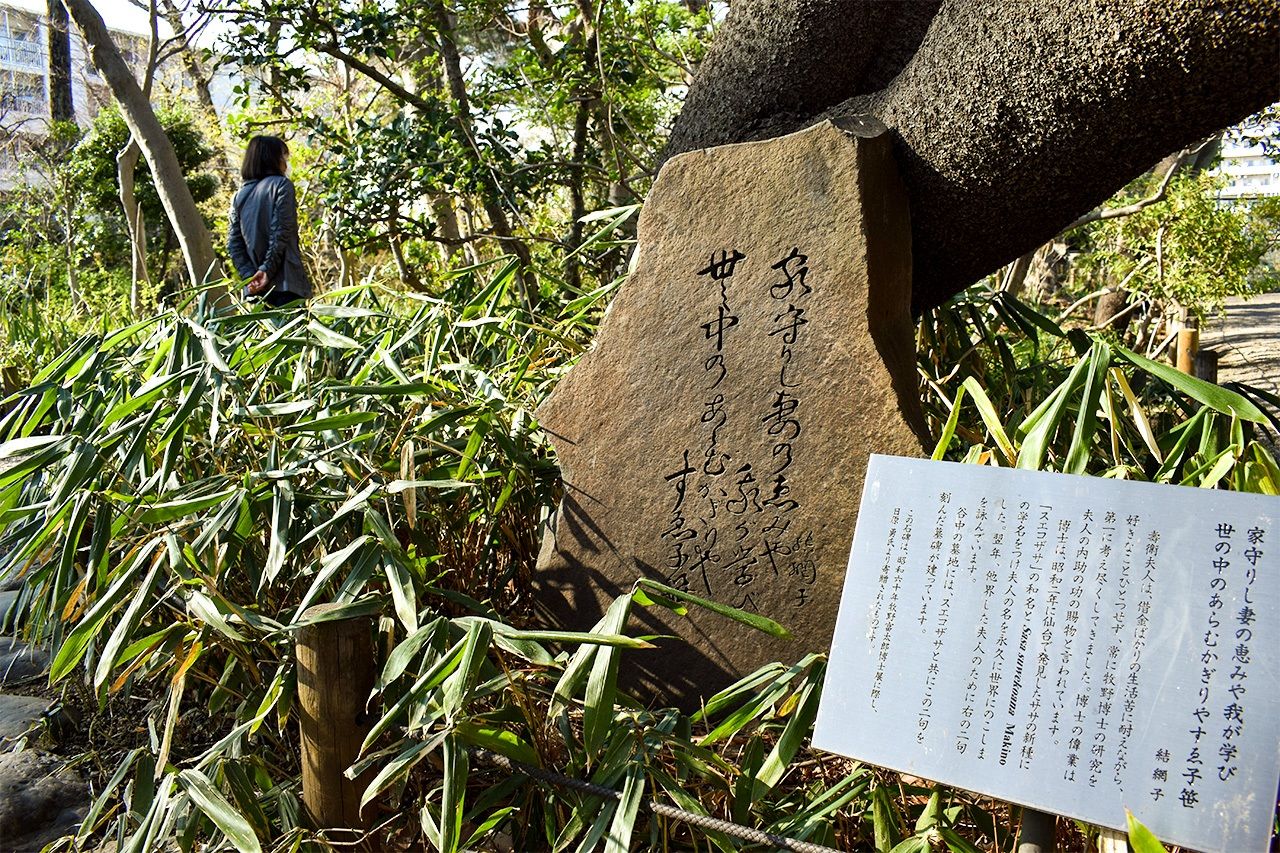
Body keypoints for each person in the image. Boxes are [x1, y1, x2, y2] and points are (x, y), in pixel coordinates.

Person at [227, 135, 312, 307]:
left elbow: (234, 244)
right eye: (283, 157)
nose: (286, 163)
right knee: (295, 333)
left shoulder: (238, 197)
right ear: (272, 159)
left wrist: (250, 276)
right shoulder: (282, 185)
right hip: (286, 286)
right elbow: (281, 232)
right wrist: (266, 270)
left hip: (256, 291)